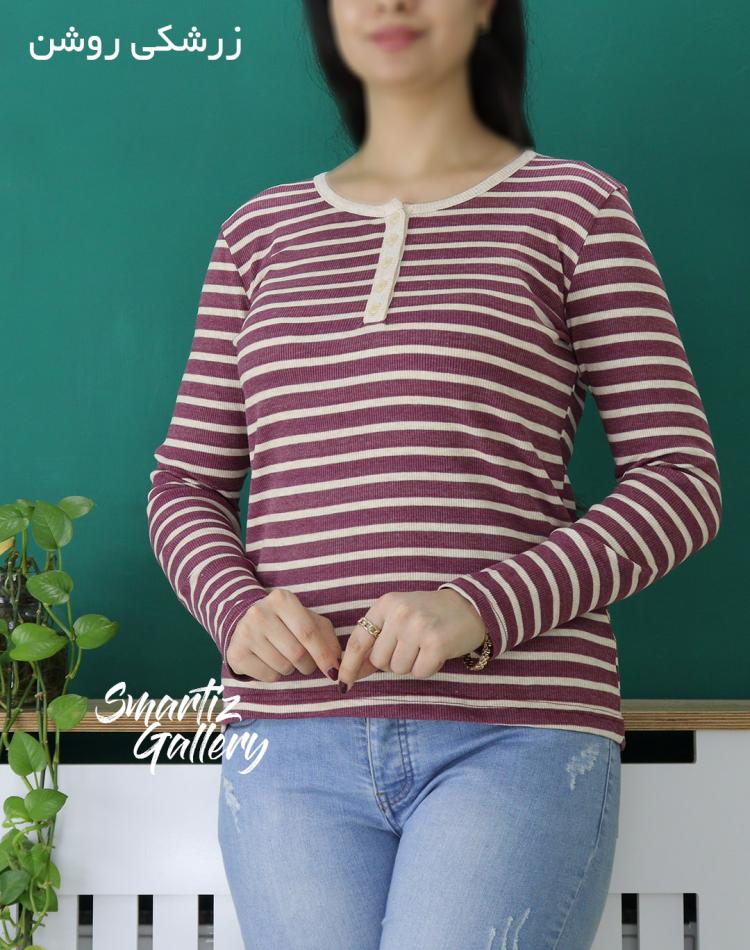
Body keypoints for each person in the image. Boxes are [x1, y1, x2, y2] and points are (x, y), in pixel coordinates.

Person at [145, 1, 722, 947]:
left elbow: (680, 479)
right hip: (287, 745)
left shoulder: (575, 209)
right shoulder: (258, 233)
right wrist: (235, 610)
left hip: (515, 732)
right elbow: (185, 487)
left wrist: (478, 608)